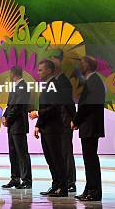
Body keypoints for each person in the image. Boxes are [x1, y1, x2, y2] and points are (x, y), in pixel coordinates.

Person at [29, 60, 67, 197]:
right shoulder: (47, 85)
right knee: (50, 159)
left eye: (41, 70)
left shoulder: (55, 85)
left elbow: (55, 107)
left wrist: (37, 114)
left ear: (49, 70)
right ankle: (55, 185)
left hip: (53, 128)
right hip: (46, 128)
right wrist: (38, 125)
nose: (38, 72)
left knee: (57, 158)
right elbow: (45, 107)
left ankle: (62, 187)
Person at [72, 56, 105, 202]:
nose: (80, 65)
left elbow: (87, 106)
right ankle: (89, 189)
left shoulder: (94, 81)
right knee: (89, 160)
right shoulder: (93, 80)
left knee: (91, 160)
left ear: (89, 65)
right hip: (89, 126)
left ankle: (94, 191)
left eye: (83, 63)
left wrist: (76, 120)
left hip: (90, 126)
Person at [1, 66, 32, 189]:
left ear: (13, 74)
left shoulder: (23, 86)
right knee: (13, 153)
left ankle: (26, 180)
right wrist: (4, 116)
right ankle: (15, 178)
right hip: (12, 126)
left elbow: (18, 107)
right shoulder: (15, 87)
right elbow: (9, 105)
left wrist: (8, 118)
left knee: (22, 153)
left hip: (19, 125)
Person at [52, 54, 76, 192]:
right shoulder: (54, 81)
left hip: (64, 122)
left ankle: (70, 182)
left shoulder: (63, 81)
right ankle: (61, 182)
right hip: (57, 123)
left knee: (66, 152)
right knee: (59, 153)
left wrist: (74, 119)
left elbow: (67, 102)